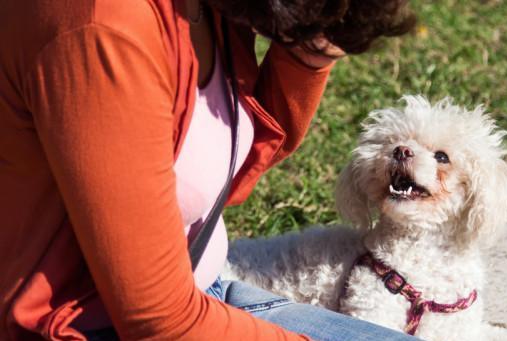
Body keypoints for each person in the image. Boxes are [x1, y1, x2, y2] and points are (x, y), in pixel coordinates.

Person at [0, 0, 416, 340]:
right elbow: (157, 320)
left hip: (203, 289)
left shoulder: (211, 9)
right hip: (88, 324)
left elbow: (213, 176)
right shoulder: (104, 30)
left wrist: (309, 51)